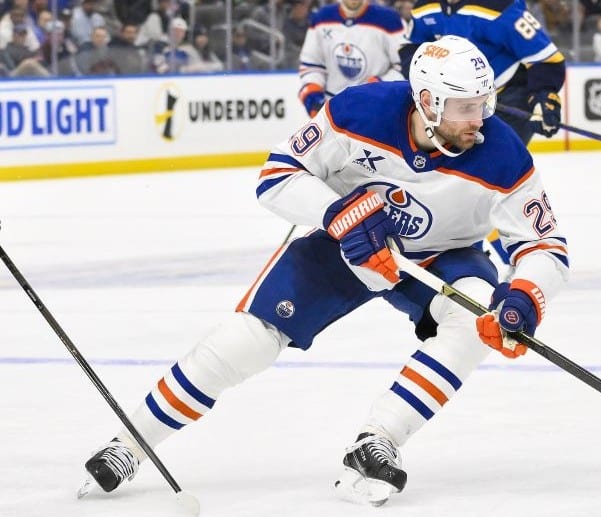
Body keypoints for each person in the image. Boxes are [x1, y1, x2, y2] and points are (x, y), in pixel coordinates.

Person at [79, 36, 569, 507]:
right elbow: (278, 175)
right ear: (427, 101)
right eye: (467, 107)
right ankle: (131, 443)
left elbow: (544, 243)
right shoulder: (359, 111)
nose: (479, 120)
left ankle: (378, 441)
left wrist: (525, 296)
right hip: (347, 247)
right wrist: (339, 214)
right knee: (247, 338)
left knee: (473, 321)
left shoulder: (504, 153)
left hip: (444, 254)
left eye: (485, 103)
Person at [400, 0, 566, 145]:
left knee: (498, 165)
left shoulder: (500, 6)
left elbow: (545, 57)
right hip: (457, 99)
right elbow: (411, 47)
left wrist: (543, 95)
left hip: (507, 94)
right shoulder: (424, 7)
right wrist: (424, 78)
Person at [297, 0, 407, 117]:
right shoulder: (322, 19)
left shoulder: (390, 20)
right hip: (332, 109)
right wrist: (313, 97)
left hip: (375, 108)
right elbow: (311, 64)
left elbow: (405, 64)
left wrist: (376, 87)